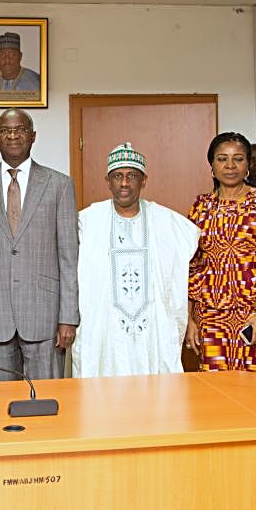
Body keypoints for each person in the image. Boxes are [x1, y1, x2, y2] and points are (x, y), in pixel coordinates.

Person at [0, 109, 79, 381]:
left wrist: (68, 317)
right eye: (5, 130)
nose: (13, 135)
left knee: (47, 398)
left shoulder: (59, 185)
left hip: (45, 315)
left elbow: (69, 258)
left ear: (33, 136)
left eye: (20, 129)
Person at [72, 143, 200, 377]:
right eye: (117, 176)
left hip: (153, 332)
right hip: (104, 330)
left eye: (132, 176)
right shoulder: (87, 222)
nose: (124, 183)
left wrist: (190, 315)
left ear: (144, 181)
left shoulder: (167, 222)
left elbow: (188, 265)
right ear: (107, 181)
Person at [186, 133, 256, 373]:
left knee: (255, 392)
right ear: (212, 166)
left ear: (248, 165)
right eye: (222, 159)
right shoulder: (201, 207)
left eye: (238, 159)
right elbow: (193, 267)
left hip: (252, 312)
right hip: (211, 316)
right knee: (215, 394)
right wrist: (190, 319)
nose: (230, 166)